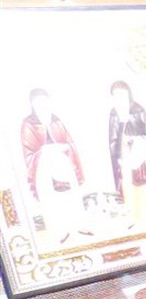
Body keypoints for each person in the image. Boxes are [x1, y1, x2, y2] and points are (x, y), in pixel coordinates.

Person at [20, 88, 88, 244]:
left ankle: (78, 224)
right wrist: (46, 151)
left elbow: (69, 142)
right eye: (38, 102)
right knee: (52, 199)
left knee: (71, 195)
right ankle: (59, 230)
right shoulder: (28, 124)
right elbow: (29, 151)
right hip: (43, 167)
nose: (43, 106)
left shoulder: (56, 120)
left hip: (63, 162)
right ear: (33, 104)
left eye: (45, 101)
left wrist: (66, 148)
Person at [108, 80, 146, 225]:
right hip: (125, 153)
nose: (120, 98)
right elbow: (113, 137)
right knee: (129, 183)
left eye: (122, 94)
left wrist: (138, 140)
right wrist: (118, 152)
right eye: (116, 95)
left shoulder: (137, 109)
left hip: (142, 151)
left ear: (128, 94)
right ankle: (135, 215)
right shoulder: (114, 113)